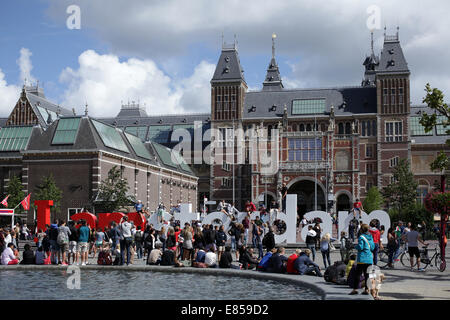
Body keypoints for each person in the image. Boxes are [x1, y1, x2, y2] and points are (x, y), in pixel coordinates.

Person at [349, 224, 375, 295]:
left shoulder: (361, 237)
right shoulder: (370, 236)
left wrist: (355, 246)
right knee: (367, 275)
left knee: (358, 274)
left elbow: (360, 247)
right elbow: (372, 247)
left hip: (362, 258)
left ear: (362, 229)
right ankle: (367, 290)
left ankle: (355, 289)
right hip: (369, 258)